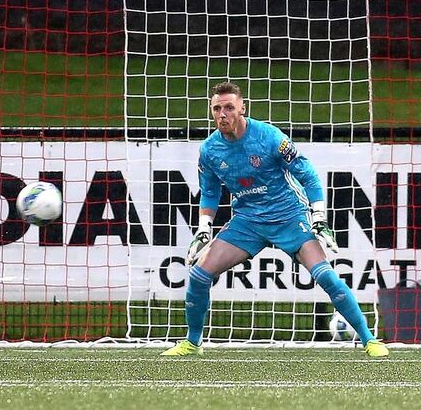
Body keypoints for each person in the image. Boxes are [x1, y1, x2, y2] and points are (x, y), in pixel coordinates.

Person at [162, 82, 389, 357]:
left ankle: (369, 340)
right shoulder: (210, 150)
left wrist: (318, 216)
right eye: (217, 108)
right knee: (199, 274)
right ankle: (192, 342)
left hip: (289, 215)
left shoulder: (268, 136)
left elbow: (308, 175)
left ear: (243, 108)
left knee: (325, 275)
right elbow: (209, 193)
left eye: (229, 107)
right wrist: (203, 230)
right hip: (247, 220)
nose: (223, 114)